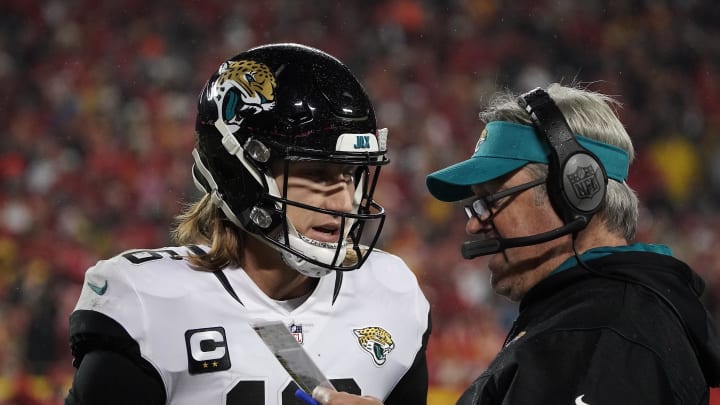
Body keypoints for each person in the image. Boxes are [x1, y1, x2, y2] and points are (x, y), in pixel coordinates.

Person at [64, 43, 431, 405]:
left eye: (350, 175)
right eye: (316, 174)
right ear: (241, 173)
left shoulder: (390, 294)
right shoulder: (149, 302)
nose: (341, 202)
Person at [311, 84, 720, 405]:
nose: (475, 226)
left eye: (491, 199)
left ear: (577, 189)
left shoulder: (594, 334)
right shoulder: (604, 315)